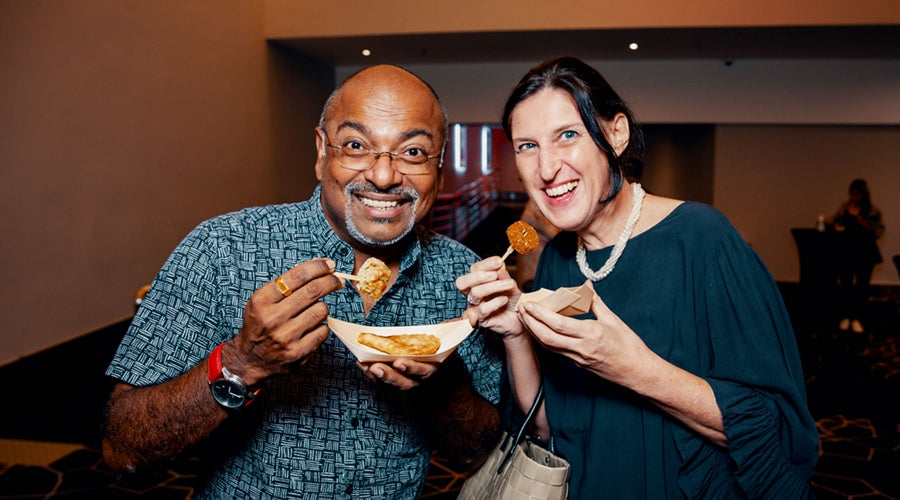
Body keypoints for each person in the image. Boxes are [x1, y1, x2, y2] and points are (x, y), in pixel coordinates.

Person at [102, 65, 503, 499]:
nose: (384, 176)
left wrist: (443, 388)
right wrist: (243, 363)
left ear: (439, 168)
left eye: (413, 152)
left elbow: (478, 454)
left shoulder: (463, 276)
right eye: (355, 145)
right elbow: (123, 451)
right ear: (320, 152)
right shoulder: (222, 248)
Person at [457, 57, 819, 498]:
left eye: (567, 135)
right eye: (526, 146)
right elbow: (548, 424)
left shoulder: (703, 240)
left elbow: (778, 433)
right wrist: (515, 331)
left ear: (616, 133)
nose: (546, 169)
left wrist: (633, 368)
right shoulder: (555, 260)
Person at [827, 178, 884, 333]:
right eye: (852, 194)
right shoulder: (845, 208)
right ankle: (845, 316)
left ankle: (858, 317)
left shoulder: (872, 211)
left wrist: (862, 222)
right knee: (845, 284)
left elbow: (878, 231)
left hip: (864, 252)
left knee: (861, 286)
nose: (854, 198)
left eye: (857, 195)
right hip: (846, 252)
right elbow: (833, 220)